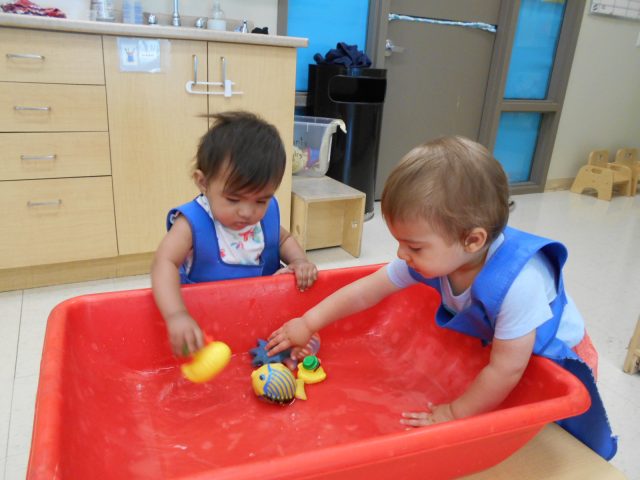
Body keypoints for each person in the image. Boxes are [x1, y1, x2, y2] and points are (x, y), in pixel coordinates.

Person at [266, 136, 617, 460]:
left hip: (560, 355)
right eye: (399, 241)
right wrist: (308, 322)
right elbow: (365, 291)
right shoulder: (443, 254)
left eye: (414, 245)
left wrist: (455, 413)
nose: (401, 254)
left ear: (473, 240)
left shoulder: (519, 285)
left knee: (554, 438)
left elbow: (506, 368)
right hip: (506, 342)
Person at [152, 111, 317, 357]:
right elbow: (163, 263)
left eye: (261, 200)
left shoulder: (263, 218)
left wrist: (299, 260)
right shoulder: (192, 224)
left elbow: (282, 239)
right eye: (233, 199)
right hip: (205, 329)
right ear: (203, 182)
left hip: (257, 323)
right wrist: (176, 315)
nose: (247, 212)